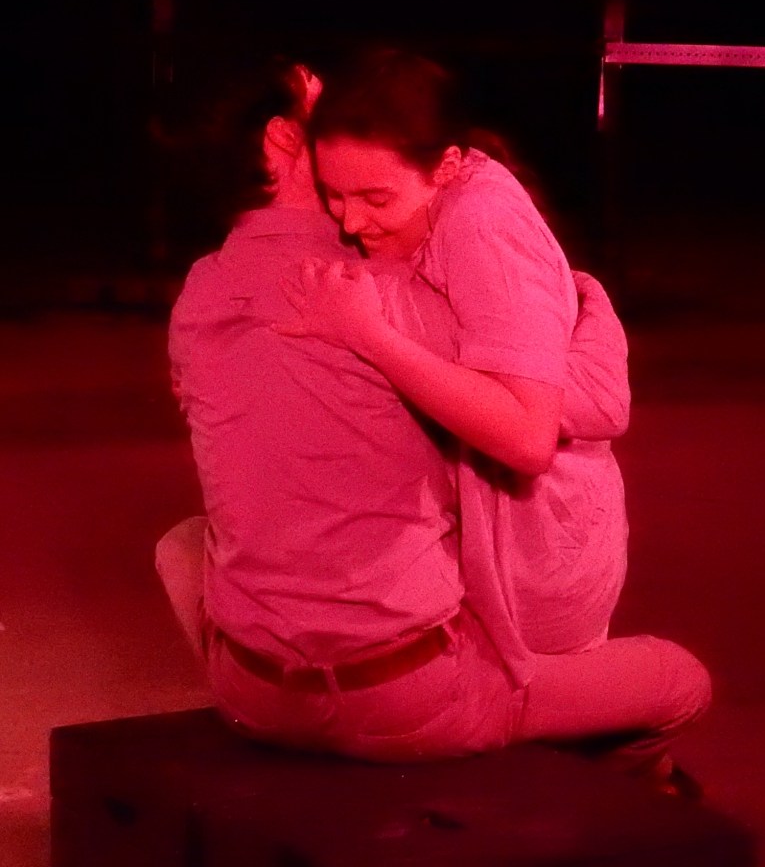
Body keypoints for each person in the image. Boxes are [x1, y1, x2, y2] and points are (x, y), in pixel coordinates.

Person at [270, 44, 711, 789]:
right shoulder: (413, 199)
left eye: (374, 198)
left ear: (446, 166)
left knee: (535, 747)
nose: (350, 221)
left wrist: (369, 335)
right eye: (334, 194)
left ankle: (645, 782)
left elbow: (527, 437)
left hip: (535, 550)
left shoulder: (481, 225)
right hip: (475, 531)